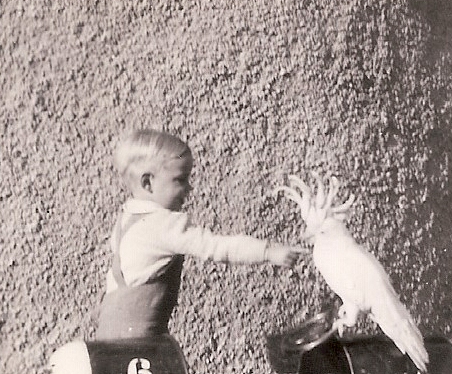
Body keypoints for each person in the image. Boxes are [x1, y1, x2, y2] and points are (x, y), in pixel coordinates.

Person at [95, 129, 304, 341]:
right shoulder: (164, 225)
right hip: (140, 340)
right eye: (180, 180)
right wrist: (267, 251)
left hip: (108, 336)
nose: (189, 188)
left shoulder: (127, 217)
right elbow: (216, 247)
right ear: (147, 183)